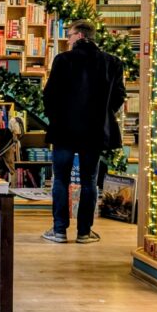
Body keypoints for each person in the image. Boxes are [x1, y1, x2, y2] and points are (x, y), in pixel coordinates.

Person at [42, 19, 126, 244]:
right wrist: (103, 114)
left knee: (61, 179)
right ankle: (84, 232)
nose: (68, 40)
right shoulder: (112, 62)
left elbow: (49, 95)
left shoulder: (63, 60)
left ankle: (59, 230)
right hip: (95, 130)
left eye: (69, 36)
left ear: (79, 36)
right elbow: (119, 96)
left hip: (64, 129)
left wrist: (56, 117)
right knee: (89, 181)